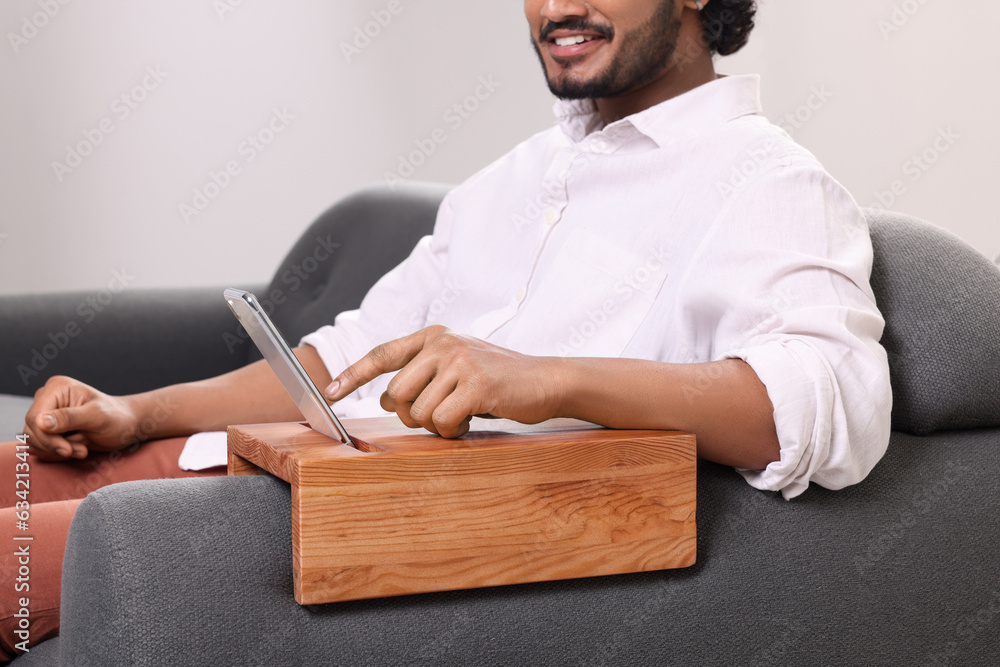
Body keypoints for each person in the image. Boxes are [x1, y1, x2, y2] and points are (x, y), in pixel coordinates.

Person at [2, 0, 892, 660]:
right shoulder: (515, 178)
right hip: (270, 468)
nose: (554, 10)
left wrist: (550, 377)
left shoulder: (769, 184)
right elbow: (342, 360)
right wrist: (137, 413)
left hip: (367, 528)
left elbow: (835, 406)